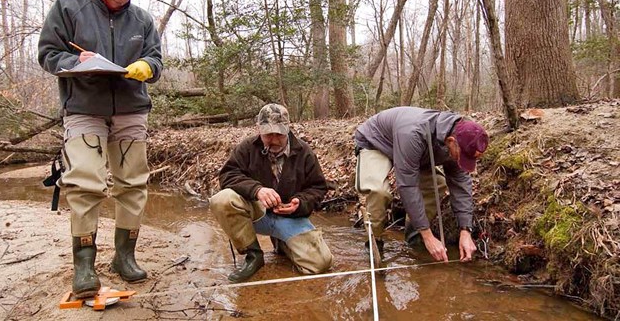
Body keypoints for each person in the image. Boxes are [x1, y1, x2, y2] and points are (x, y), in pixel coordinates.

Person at [37, 0, 162, 298]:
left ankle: (125, 257)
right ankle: (85, 266)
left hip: (131, 108)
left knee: (133, 183)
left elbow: (156, 60)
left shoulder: (143, 20)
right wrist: (75, 62)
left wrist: (145, 67)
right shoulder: (69, 7)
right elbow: (48, 53)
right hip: (83, 108)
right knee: (86, 181)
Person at [210, 104, 333, 282]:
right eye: (268, 134)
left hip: (290, 218)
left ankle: (283, 244)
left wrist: (299, 203)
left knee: (320, 264)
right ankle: (253, 255)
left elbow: (318, 188)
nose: (274, 139)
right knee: (222, 200)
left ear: (288, 129)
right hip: (255, 213)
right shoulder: (247, 148)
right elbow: (228, 175)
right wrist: (256, 190)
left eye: (279, 134)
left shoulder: (304, 153)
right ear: (259, 129)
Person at [354, 107, 489, 262]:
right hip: (377, 142)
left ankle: (414, 239)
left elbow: (461, 183)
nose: (464, 161)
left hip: (417, 153)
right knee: (378, 191)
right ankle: (374, 242)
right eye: (463, 157)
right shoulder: (413, 133)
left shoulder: (461, 138)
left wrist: (466, 230)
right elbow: (407, 186)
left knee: (437, 185)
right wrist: (428, 235)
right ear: (451, 142)